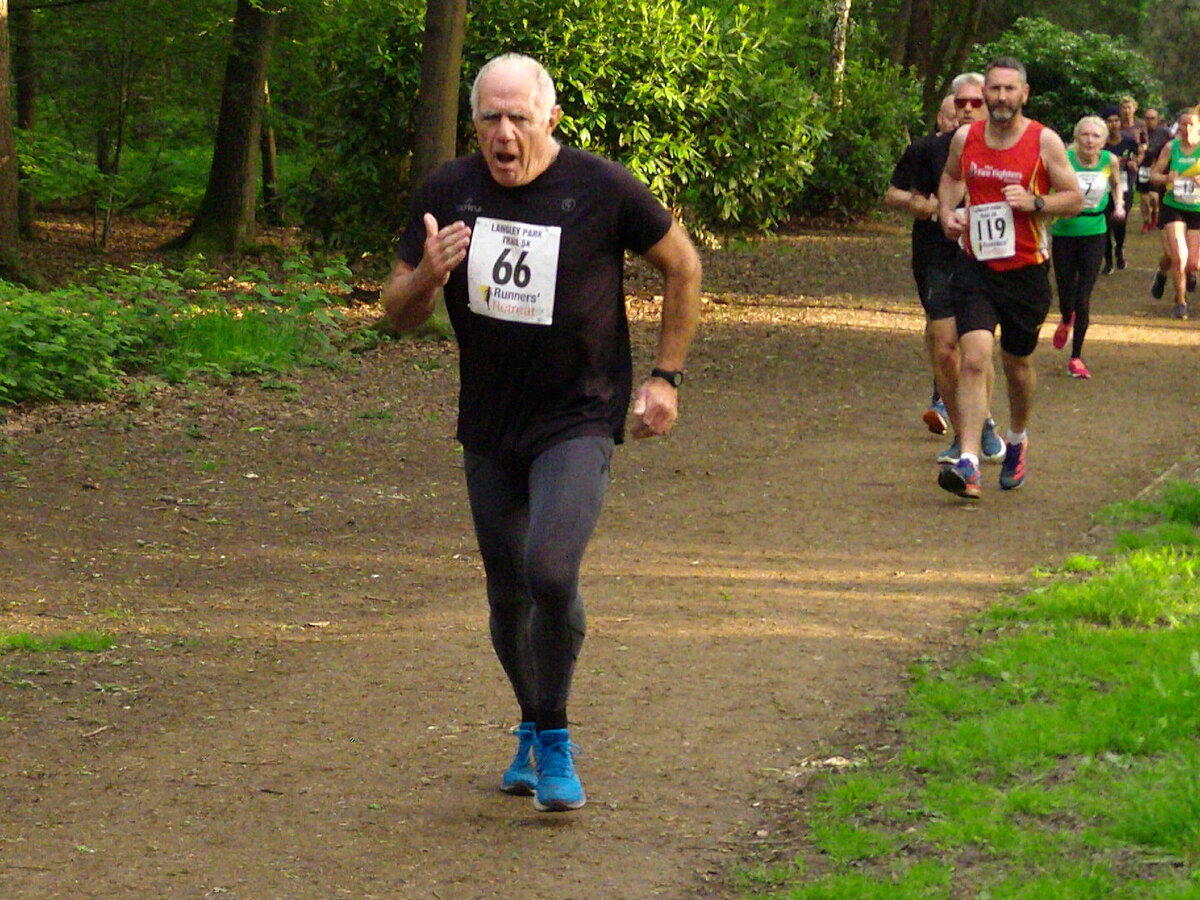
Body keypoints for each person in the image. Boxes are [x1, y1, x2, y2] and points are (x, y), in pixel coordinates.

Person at [380, 53, 702, 812]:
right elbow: (395, 312)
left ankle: (554, 738)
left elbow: (683, 266)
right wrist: (427, 275)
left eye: (518, 117)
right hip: (491, 422)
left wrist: (666, 376)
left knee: (550, 569)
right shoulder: (447, 191)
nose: (503, 133)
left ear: (550, 119)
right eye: (489, 117)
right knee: (508, 591)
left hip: (578, 415)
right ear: (474, 123)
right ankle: (531, 720)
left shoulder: (602, 187)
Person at [935, 56, 1083, 500]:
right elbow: (951, 177)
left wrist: (1036, 202)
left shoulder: (1044, 141)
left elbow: (1074, 199)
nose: (1000, 97)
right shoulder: (966, 137)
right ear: (985, 93)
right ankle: (968, 461)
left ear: (1024, 94)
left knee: (1016, 365)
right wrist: (947, 213)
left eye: (1009, 89)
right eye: (994, 89)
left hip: (1026, 271)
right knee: (974, 357)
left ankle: (1017, 438)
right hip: (976, 266)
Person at [883, 74, 1004, 465]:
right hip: (936, 255)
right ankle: (966, 429)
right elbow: (894, 193)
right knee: (943, 345)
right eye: (961, 102)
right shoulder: (928, 149)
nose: (967, 109)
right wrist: (918, 205)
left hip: (986, 257)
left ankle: (981, 424)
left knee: (976, 346)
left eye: (975, 102)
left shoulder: (1008, 149)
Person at [1050, 116, 1125, 379]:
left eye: (1095, 136)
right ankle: (1065, 318)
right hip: (1064, 232)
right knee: (1065, 293)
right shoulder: (1064, 159)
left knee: (1083, 298)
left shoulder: (1109, 160)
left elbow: (1116, 184)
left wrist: (1119, 204)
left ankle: (1076, 357)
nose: (1090, 141)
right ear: (1076, 137)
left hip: (1095, 232)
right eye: (1085, 135)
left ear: (1103, 141)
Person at [1148, 107, 1200, 319]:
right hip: (1174, 205)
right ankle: (1180, 301)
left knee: (1193, 263)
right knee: (1178, 255)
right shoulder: (1171, 147)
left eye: (1191, 124)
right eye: (1183, 124)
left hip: (1197, 208)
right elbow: (1153, 175)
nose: (1187, 129)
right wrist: (1167, 178)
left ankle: (1162, 272)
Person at [1100, 106, 1138, 273]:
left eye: (1116, 120)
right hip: (1104, 187)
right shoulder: (1100, 143)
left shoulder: (1128, 141)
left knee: (1119, 222)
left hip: (1123, 187)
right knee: (1105, 225)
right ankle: (1108, 261)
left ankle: (1119, 249)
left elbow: (1137, 156)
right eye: (1109, 121)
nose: (1113, 124)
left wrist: (1133, 163)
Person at [1137, 107, 1171, 231]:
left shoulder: (1164, 133)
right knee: (1144, 198)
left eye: (1152, 118)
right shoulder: (1140, 132)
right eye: (1147, 118)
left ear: (1157, 119)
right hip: (1143, 168)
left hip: (1157, 168)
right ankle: (1146, 222)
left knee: (1154, 196)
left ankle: (1155, 214)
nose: (1150, 121)